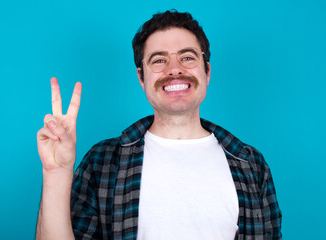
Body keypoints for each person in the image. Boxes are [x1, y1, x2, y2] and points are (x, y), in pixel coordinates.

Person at [36, 10, 282, 240]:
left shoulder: (251, 165)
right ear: (141, 78)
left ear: (206, 72)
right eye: (159, 60)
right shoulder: (101, 162)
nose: (174, 70)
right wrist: (55, 174)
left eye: (187, 57)